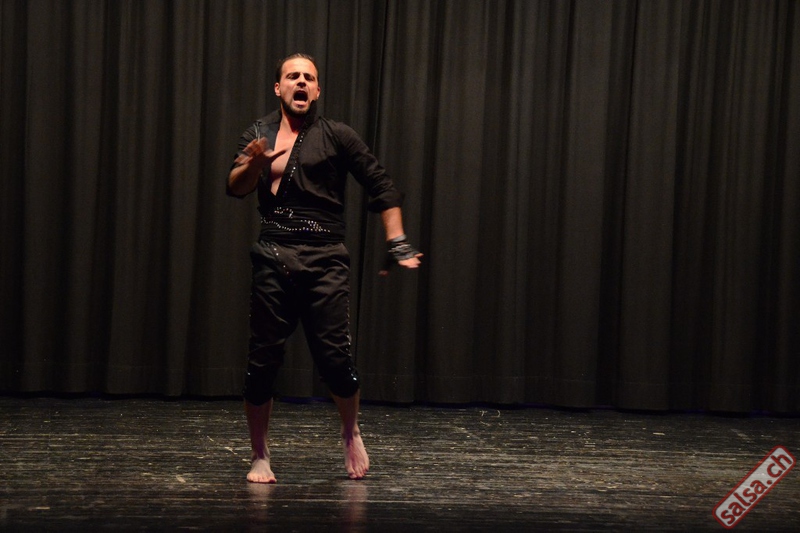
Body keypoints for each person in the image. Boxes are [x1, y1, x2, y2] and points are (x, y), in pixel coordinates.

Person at [227, 53, 421, 483]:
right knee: (262, 364)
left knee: (335, 361)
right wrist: (254, 164)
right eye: (292, 76)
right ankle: (260, 454)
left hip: (325, 258)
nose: (300, 82)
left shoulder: (337, 135)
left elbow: (382, 185)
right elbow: (235, 187)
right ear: (278, 87)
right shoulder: (258, 134)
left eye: (308, 77)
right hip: (273, 256)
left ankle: (351, 432)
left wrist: (397, 241)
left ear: (316, 90)